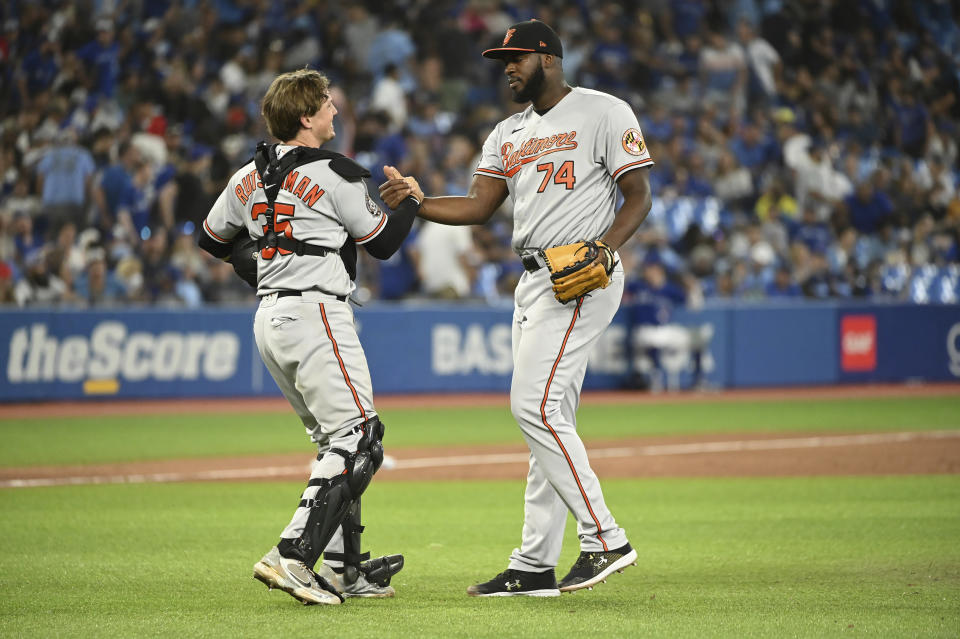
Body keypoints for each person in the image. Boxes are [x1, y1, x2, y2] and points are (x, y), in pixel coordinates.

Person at [380, 20, 653, 597]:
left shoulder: (604, 112)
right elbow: (480, 206)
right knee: (547, 420)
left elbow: (639, 195)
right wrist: (420, 201)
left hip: (582, 275)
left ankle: (605, 537)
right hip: (533, 283)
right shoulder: (507, 132)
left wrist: (604, 247)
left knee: (532, 405)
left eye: (517, 57)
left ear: (549, 58)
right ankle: (533, 564)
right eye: (503, 59)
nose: (507, 66)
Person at [198, 69, 416, 606]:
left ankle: (344, 570)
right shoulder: (333, 173)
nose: (335, 111)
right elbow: (383, 242)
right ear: (306, 117)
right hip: (317, 313)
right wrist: (410, 199)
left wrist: (265, 260)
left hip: (270, 319)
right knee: (359, 440)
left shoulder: (247, 175)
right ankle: (292, 556)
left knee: (334, 442)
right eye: (326, 104)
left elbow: (212, 239)